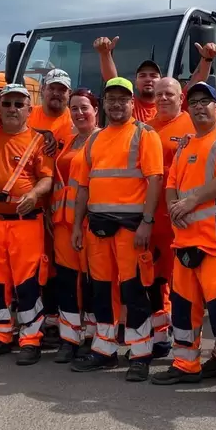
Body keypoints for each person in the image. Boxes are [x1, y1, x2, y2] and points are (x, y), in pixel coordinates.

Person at [151, 81, 216, 404]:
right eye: (192, 101)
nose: (197, 106)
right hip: (184, 244)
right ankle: (185, 364)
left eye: (204, 101)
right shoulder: (185, 145)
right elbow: (170, 183)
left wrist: (189, 202)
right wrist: (172, 206)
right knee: (182, 310)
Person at [70, 77, 164, 382]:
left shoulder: (144, 135)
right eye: (111, 98)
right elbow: (83, 187)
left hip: (130, 229)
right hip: (97, 228)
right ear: (103, 103)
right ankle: (104, 349)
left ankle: (140, 354)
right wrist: (76, 226)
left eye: (123, 99)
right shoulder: (95, 140)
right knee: (101, 291)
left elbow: (154, 181)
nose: (116, 104)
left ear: (132, 102)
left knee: (133, 291)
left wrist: (147, 223)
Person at [0, 84, 54, 365]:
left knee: (27, 282)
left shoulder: (38, 141)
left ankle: (31, 339)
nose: (12, 109)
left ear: (29, 110)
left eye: (18, 104)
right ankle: (0, 335)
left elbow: (47, 177)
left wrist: (34, 195)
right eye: (7, 104)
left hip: (25, 224)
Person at [143, 77, 196, 358]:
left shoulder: (193, 126)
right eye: (159, 94)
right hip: (153, 219)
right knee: (154, 279)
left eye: (169, 94)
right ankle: (160, 336)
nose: (163, 98)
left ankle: (183, 341)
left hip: (182, 219)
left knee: (181, 282)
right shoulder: (146, 128)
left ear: (180, 97)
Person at [49, 88, 100, 363]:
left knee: (92, 282)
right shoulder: (68, 140)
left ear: (95, 111)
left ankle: (91, 337)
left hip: (90, 223)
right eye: (75, 108)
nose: (80, 113)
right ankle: (69, 338)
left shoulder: (102, 140)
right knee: (67, 282)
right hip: (62, 222)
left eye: (85, 107)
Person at [28, 68, 75, 347]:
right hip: (30, 201)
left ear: (68, 94)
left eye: (62, 89)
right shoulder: (28, 113)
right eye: (52, 88)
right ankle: (29, 317)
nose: (56, 93)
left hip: (59, 205)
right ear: (43, 90)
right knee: (31, 262)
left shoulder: (74, 120)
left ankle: (55, 319)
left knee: (58, 263)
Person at [92, 36, 215, 122]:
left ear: (161, 81)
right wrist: (105, 54)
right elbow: (112, 80)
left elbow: (197, 80)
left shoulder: (174, 102)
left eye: (153, 75)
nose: (148, 79)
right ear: (136, 83)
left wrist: (207, 59)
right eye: (142, 76)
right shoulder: (130, 105)